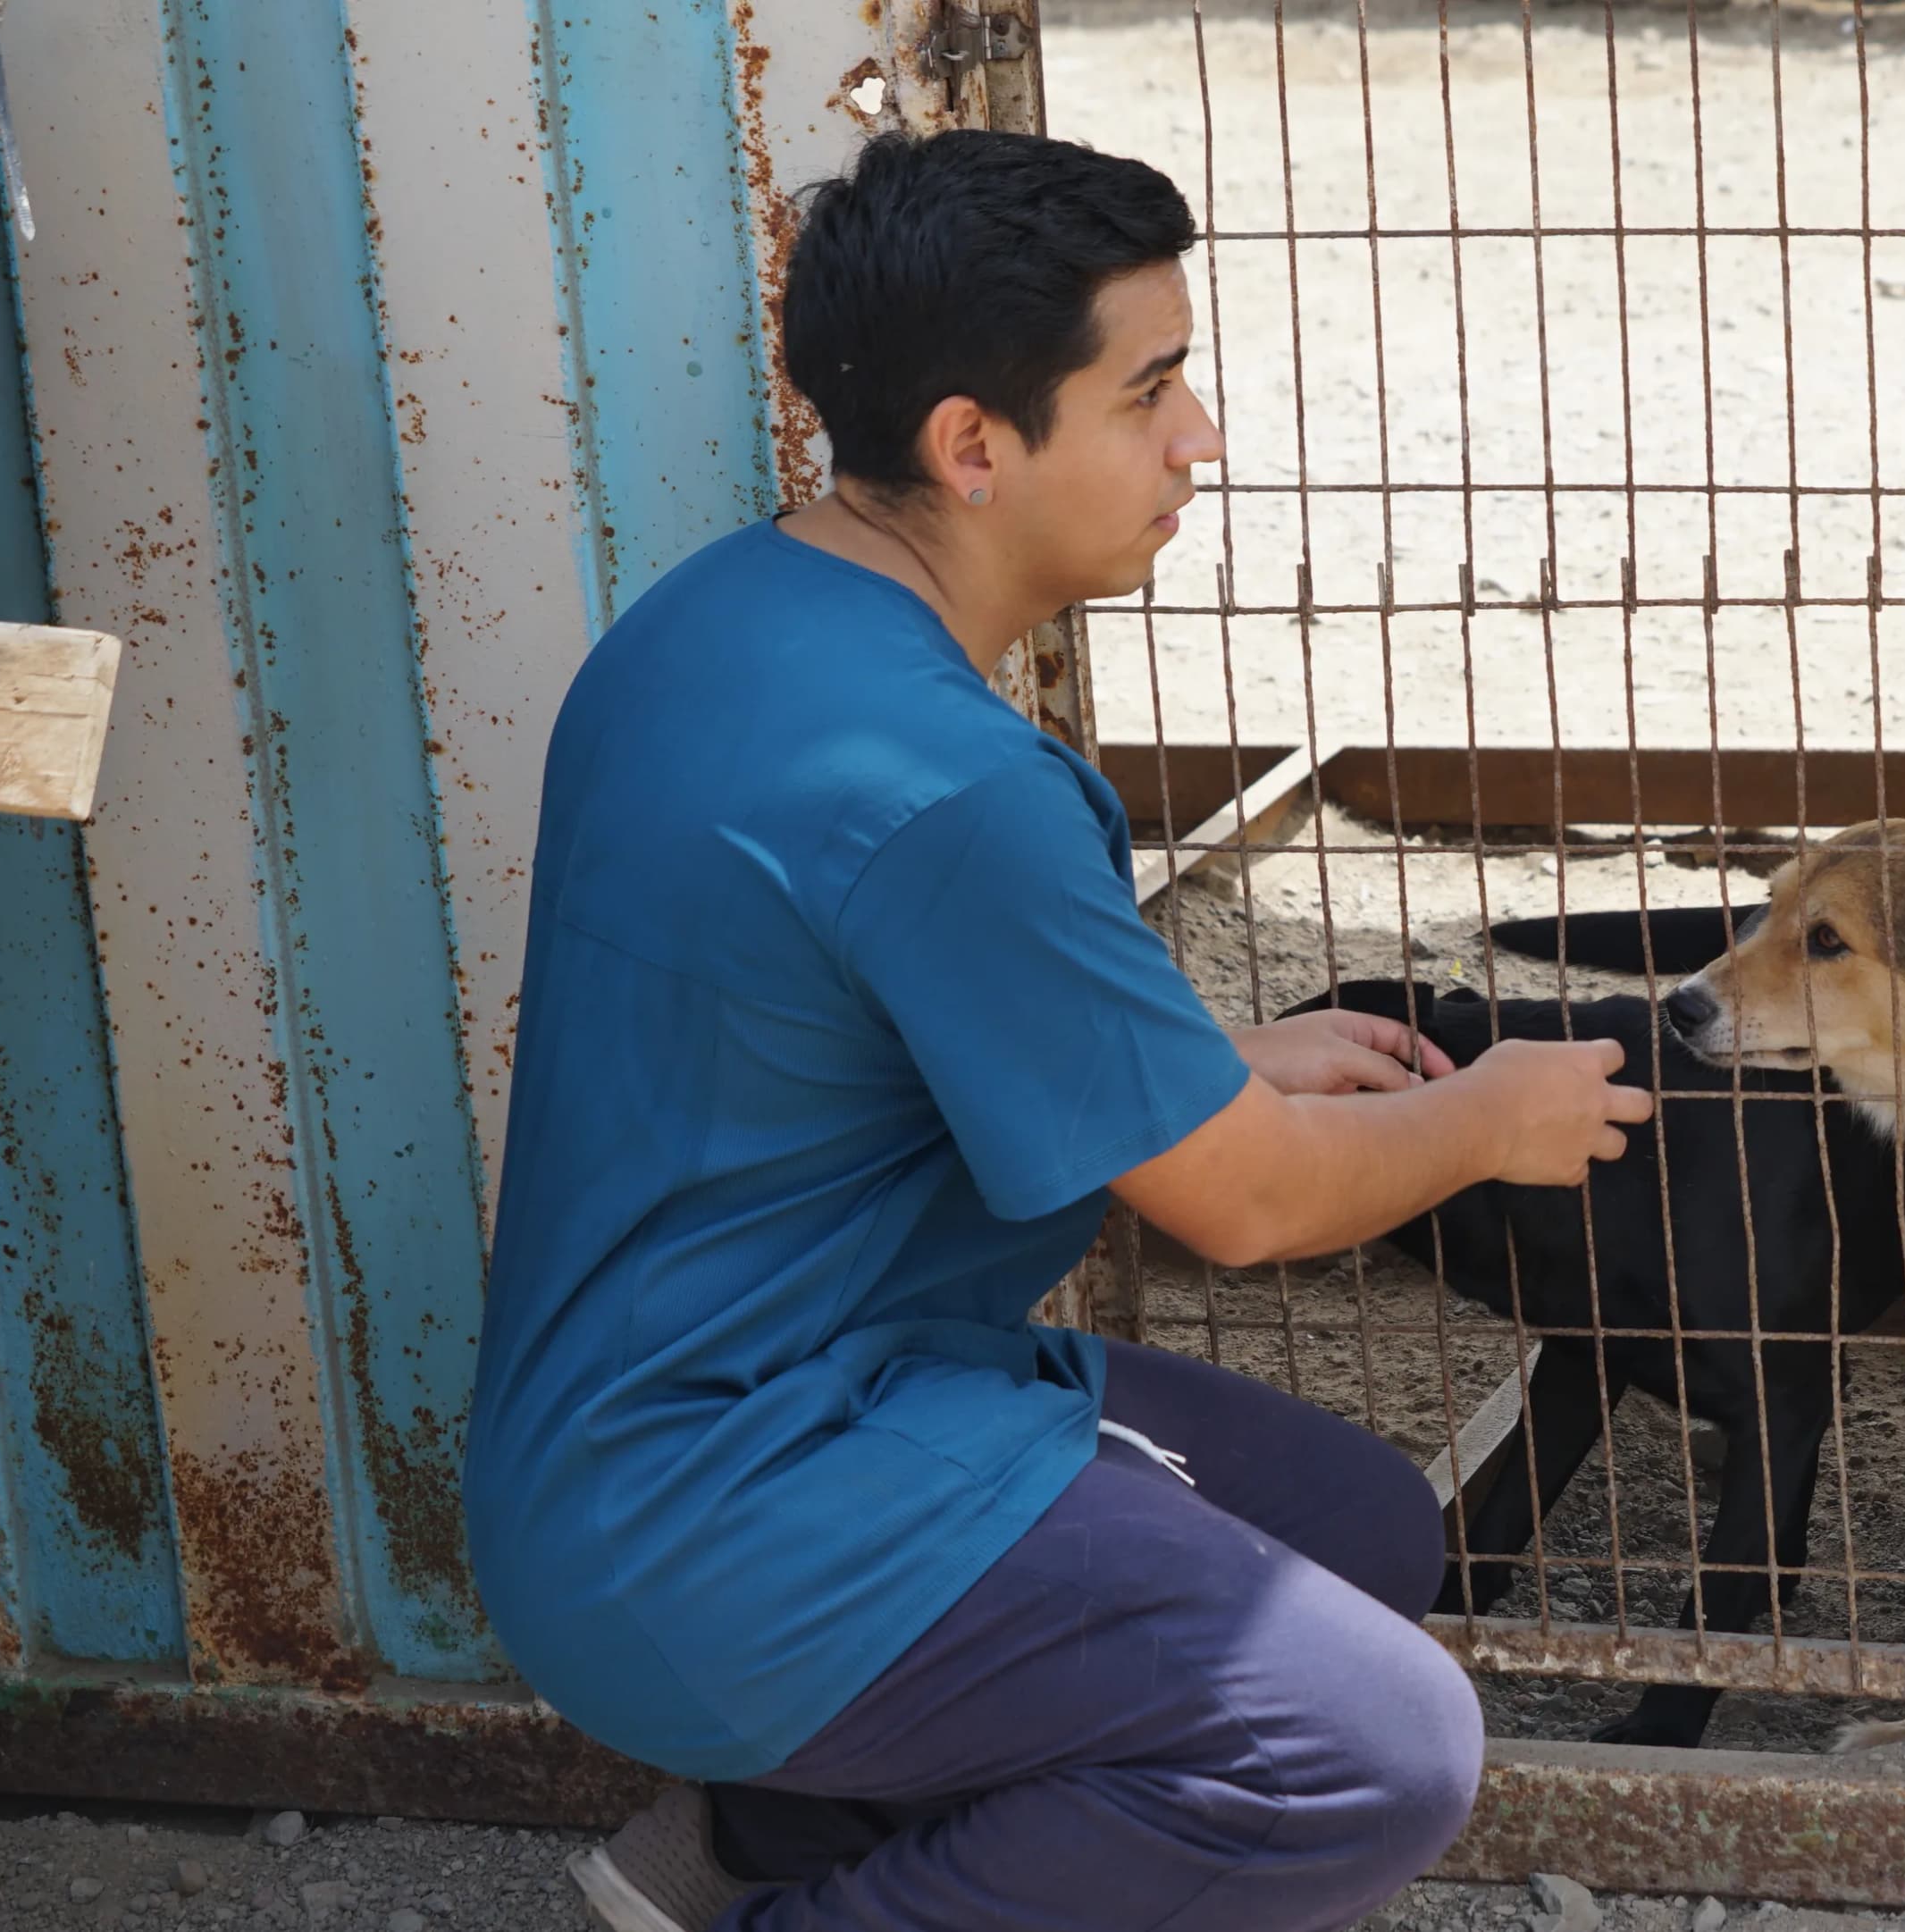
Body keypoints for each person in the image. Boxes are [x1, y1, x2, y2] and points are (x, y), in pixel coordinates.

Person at [459, 129, 1655, 1932]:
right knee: (1370, 1742)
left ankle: (750, 1838)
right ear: (973, 446)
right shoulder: (942, 789)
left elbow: (835, 1041)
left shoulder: (726, 616)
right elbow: (1246, 1210)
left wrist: (1209, 1070)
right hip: (726, 1502)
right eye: (1150, 390)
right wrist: (1488, 1115)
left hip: (675, 1426)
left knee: (1358, 1532)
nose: (1203, 437)